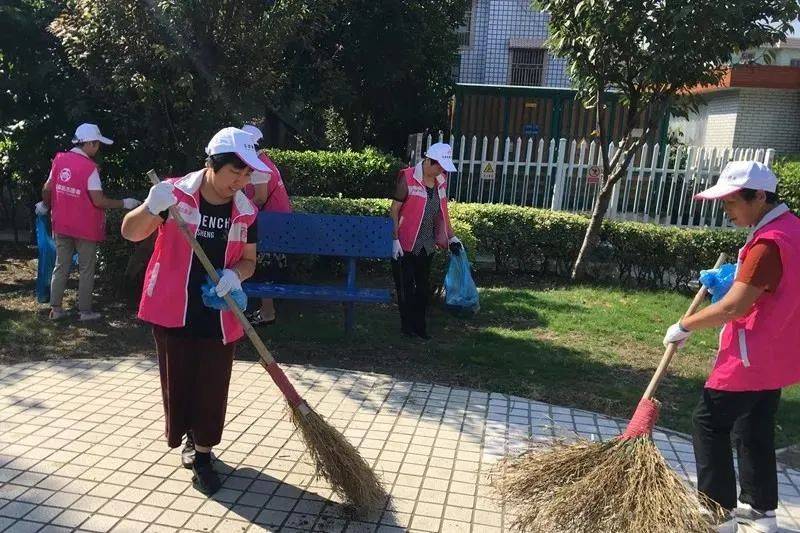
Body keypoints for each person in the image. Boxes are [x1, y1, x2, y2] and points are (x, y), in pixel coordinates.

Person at [121, 127, 268, 496]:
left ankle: (204, 454)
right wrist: (150, 207)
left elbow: (250, 260)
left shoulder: (246, 211)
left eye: (247, 174)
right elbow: (131, 232)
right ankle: (188, 437)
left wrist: (235, 275)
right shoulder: (174, 195)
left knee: (213, 384)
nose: (241, 182)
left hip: (220, 310)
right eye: (235, 172)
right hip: (174, 305)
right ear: (212, 164)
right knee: (180, 380)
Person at [663, 160, 800, 533]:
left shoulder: (768, 244)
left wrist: (685, 325)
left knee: (708, 422)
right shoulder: (792, 229)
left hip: (751, 353)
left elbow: (736, 306)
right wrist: (738, 281)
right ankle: (761, 511)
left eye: (731, 203)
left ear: (759, 196)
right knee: (754, 427)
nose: (727, 211)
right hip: (779, 352)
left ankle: (718, 514)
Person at [38, 123, 141, 321]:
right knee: (86, 269)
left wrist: (44, 205)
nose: (98, 148)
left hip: (61, 224)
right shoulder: (89, 169)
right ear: (90, 143)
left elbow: (48, 187)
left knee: (61, 265)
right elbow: (99, 201)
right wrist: (124, 203)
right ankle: (85, 311)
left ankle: (56, 310)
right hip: (85, 227)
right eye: (97, 144)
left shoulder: (59, 160)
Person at [390, 142, 462, 339]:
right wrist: (395, 239)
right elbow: (394, 210)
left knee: (422, 289)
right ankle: (407, 328)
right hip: (404, 244)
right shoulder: (407, 177)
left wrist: (451, 236)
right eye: (439, 166)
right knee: (405, 288)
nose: (441, 171)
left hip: (427, 244)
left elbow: (443, 212)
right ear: (430, 162)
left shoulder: (441, 181)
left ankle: (420, 328)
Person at [240, 124, 292, 326]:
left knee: (262, 263)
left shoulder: (259, 166)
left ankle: (267, 312)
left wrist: (241, 210)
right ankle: (263, 310)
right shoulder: (263, 161)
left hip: (272, 224)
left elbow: (260, 198)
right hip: (275, 222)